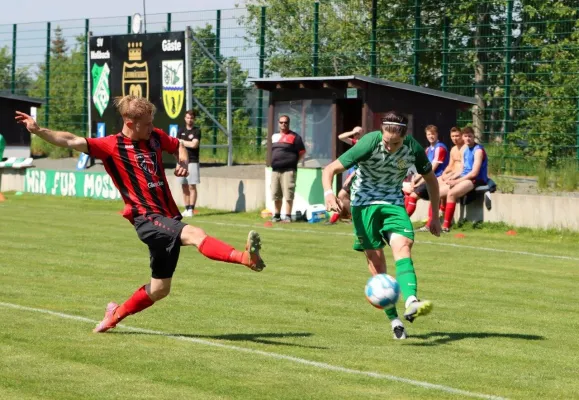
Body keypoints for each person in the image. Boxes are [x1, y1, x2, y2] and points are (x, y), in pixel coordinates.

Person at [15, 95, 266, 333]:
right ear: (129, 123)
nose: (152, 127)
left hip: (167, 217)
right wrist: (39, 131)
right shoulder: (111, 146)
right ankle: (245, 258)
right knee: (194, 233)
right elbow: (70, 140)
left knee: (159, 289)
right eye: (146, 124)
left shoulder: (154, 137)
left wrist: (183, 161)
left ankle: (114, 315)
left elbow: (178, 145)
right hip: (145, 218)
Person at [322, 111, 441, 340]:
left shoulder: (413, 148)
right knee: (376, 262)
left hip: (393, 203)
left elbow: (431, 181)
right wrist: (329, 193)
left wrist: (433, 216)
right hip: (363, 205)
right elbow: (329, 169)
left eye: (394, 143)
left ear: (404, 137)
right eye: (386, 141)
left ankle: (411, 301)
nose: (389, 146)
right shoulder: (369, 143)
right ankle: (395, 320)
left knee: (403, 245)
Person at [440, 126, 489, 231]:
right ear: (463, 137)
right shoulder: (465, 150)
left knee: (451, 194)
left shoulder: (478, 150)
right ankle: (432, 223)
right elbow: (462, 169)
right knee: (438, 192)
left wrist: (457, 181)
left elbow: (474, 173)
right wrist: (451, 177)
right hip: (464, 178)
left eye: (470, 136)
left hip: (475, 180)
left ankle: (446, 226)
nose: (467, 139)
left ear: (474, 136)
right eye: (465, 136)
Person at [418, 126, 464, 231]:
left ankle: (443, 225)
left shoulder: (442, 148)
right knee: (430, 192)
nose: (455, 138)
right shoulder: (451, 149)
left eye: (457, 136)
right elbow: (450, 166)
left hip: (460, 178)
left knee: (436, 193)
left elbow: (464, 169)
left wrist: (420, 181)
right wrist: (445, 174)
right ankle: (433, 222)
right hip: (447, 177)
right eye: (453, 136)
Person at [404, 125, 448, 217]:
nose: (431, 136)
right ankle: (401, 219)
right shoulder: (428, 149)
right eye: (429, 134)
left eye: (433, 134)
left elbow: (432, 168)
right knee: (408, 193)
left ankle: (403, 221)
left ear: (437, 134)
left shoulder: (440, 148)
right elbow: (422, 167)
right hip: (428, 177)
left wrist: (418, 182)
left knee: (413, 196)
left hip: (436, 178)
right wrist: (414, 180)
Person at [270, 115, 306, 222]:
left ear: (288, 123)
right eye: (281, 122)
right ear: (278, 123)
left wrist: (293, 161)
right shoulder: (274, 136)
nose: (283, 124)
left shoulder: (295, 137)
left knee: (288, 194)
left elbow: (302, 152)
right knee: (276, 193)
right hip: (275, 170)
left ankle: (288, 216)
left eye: (285, 122)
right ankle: (277, 215)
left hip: (289, 170)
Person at [329, 126, 363, 224]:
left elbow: (363, 166)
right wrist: (352, 131)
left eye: (359, 132)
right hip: (353, 175)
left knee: (342, 195)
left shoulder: (364, 145)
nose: (356, 134)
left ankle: (357, 218)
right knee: (343, 196)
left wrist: (351, 176)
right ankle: (356, 218)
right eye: (355, 133)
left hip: (359, 176)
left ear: (363, 133)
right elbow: (341, 137)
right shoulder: (356, 143)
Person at [177, 110, 202, 217]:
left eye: (191, 118)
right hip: (181, 161)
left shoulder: (197, 131)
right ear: (185, 118)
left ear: (194, 119)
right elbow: (176, 144)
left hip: (192, 161)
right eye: (187, 117)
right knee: (184, 185)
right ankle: (186, 208)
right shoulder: (181, 130)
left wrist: (182, 142)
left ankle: (191, 209)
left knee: (192, 185)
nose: (189, 120)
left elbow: (194, 145)